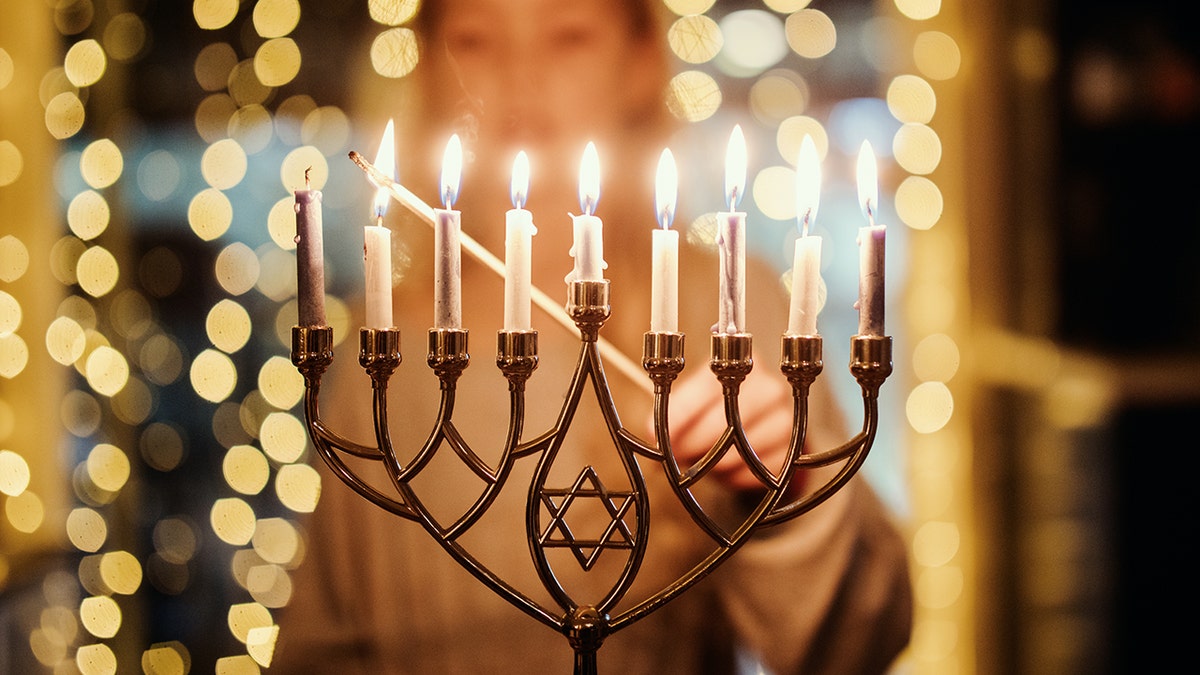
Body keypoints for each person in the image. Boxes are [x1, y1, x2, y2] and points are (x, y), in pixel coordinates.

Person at [272, 1, 912, 672]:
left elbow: (864, 640)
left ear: (640, 64)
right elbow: (320, 648)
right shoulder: (387, 351)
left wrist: (787, 487)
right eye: (475, 41)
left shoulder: (725, 311)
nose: (520, 77)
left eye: (568, 38)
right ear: (429, 66)